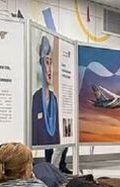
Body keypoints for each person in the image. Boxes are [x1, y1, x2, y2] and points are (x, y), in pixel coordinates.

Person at [32, 35, 70, 174]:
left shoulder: (54, 98)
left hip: (57, 134)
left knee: (63, 143)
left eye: (51, 63)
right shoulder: (36, 98)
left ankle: (60, 165)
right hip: (44, 139)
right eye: (46, 63)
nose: (49, 69)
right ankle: (49, 166)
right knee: (48, 143)